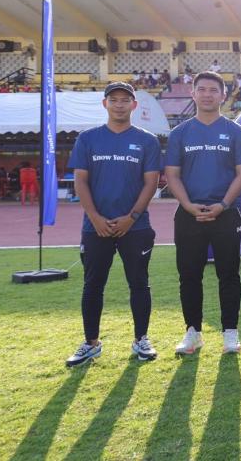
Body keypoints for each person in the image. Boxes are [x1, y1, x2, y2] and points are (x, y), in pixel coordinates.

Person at [65, 82, 161, 367]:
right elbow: (80, 181)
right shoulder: (88, 138)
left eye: (125, 100)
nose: (119, 104)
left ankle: (141, 339)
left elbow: (151, 182)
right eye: (114, 99)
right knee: (93, 285)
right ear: (105, 104)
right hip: (96, 226)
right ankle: (91, 343)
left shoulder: (147, 140)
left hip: (136, 227)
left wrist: (131, 217)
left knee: (139, 284)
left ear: (134, 105)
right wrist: (95, 217)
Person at [164, 71, 241, 356]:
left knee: (229, 274)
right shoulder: (179, 133)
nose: (207, 95)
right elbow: (172, 175)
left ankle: (230, 333)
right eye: (201, 89)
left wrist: (223, 204)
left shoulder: (235, 132)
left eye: (213, 90)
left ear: (223, 95)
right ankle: (193, 332)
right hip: (189, 214)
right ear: (193, 94)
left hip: (226, 213)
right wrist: (188, 205)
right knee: (189, 276)